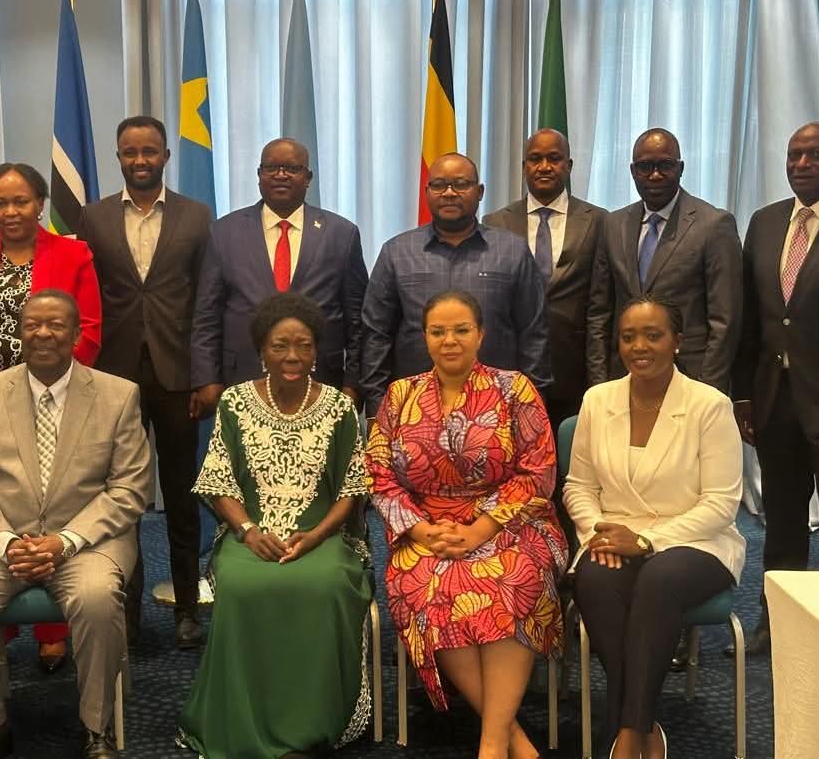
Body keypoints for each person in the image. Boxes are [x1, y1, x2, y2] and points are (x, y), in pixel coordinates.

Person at [0, 290, 150, 759]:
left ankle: (96, 728)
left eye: (55, 325)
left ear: (76, 334)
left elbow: (129, 489)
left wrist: (64, 541)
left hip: (87, 542)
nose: (43, 334)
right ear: (19, 333)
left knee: (96, 599)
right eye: (32, 325)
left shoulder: (118, 395)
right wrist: (7, 542)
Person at [367, 290, 566, 759]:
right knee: (431, 585)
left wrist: (480, 529)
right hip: (427, 530)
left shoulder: (514, 388)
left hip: (511, 523)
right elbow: (377, 474)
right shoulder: (400, 395)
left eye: (461, 330)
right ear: (424, 337)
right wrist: (420, 530)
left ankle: (492, 744)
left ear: (481, 334)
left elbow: (538, 471)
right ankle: (513, 741)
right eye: (438, 331)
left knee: (512, 579)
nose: (449, 340)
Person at [178, 293, 372, 758]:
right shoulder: (235, 402)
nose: (292, 356)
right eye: (280, 345)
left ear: (317, 350)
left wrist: (318, 535)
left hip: (322, 536)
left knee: (325, 584)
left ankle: (312, 723)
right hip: (250, 534)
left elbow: (351, 489)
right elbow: (218, 481)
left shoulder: (338, 407)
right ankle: (245, 719)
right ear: (261, 350)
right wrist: (248, 530)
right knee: (243, 585)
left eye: (304, 345)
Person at [0, 162, 103, 670]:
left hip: (57, 400)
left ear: (40, 204)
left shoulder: (73, 254)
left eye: (21, 201)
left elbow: (88, 327)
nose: (10, 211)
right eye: (1, 202)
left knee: (54, 503)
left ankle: (54, 630)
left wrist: (49, 385)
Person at [565, 296, 744, 759]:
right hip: (613, 534)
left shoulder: (710, 405)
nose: (639, 346)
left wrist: (647, 541)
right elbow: (578, 486)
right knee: (594, 579)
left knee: (660, 579)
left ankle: (627, 732)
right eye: (628, 337)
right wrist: (599, 532)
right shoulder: (598, 400)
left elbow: (721, 503)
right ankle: (639, 724)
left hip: (696, 539)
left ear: (677, 342)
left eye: (653, 335)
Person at [78, 116, 211, 648]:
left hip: (178, 375)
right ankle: (124, 613)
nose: (140, 160)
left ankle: (186, 609)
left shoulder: (196, 216)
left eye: (149, 151)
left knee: (180, 494)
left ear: (164, 156)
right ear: (118, 157)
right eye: (130, 152)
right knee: (120, 495)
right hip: (113, 375)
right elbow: (86, 295)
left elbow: (206, 300)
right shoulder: (92, 217)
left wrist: (206, 374)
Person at [733, 121, 819, 654]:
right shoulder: (767, 220)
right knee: (783, 521)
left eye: (815, 155)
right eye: (795, 154)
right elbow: (751, 318)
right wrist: (743, 396)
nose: (801, 164)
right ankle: (776, 623)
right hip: (774, 400)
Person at [362, 153, 550, 421]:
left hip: (497, 409)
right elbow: (376, 335)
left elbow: (534, 335)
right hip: (413, 412)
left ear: (480, 192)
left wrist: (531, 408)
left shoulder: (513, 251)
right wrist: (376, 409)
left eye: (461, 184)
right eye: (439, 185)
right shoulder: (397, 252)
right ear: (427, 192)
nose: (449, 193)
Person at [190, 138, 368, 413]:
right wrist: (207, 378)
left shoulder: (341, 234)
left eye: (292, 168)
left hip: (321, 382)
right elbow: (207, 315)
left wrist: (353, 384)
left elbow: (357, 321)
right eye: (271, 168)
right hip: (242, 380)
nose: (281, 175)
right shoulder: (224, 232)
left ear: (308, 178)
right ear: (259, 175)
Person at [587, 128, 742, 392]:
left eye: (665, 165)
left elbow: (724, 321)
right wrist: (600, 385)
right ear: (633, 171)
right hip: (622, 378)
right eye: (645, 167)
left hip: (691, 380)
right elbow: (599, 313)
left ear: (680, 168)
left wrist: (709, 390)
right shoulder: (613, 224)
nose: (655, 175)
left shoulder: (714, 225)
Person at [483, 129, 607, 430]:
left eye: (554, 158)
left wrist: (599, 380)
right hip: (513, 368)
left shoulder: (599, 220)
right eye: (535, 159)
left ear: (569, 165)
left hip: (575, 369)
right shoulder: (495, 223)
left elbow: (601, 305)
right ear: (524, 166)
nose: (544, 167)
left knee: (572, 450)